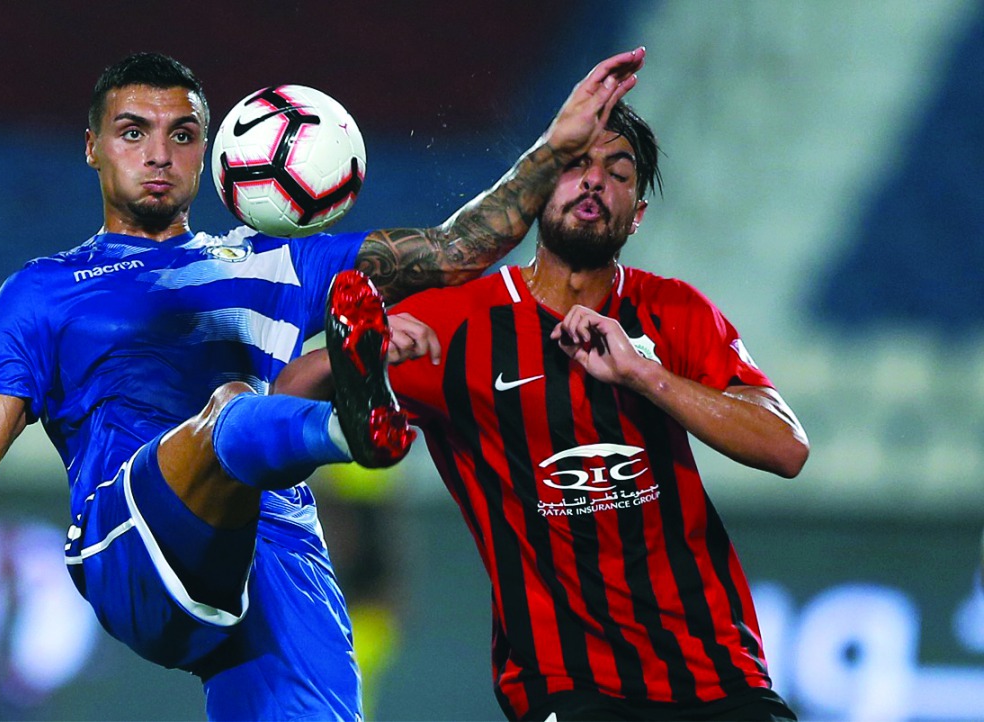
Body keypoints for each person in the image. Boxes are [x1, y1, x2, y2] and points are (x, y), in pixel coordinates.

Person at [0, 49, 647, 721]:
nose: (158, 154)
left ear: (212, 151)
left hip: (277, 553)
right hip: (133, 540)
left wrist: (554, 147)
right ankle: (346, 426)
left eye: (181, 135)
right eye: (133, 132)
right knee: (229, 411)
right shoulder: (43, 293)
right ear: (92, 145)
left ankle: (338, 400)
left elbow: (458, 249)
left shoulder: (274, 261)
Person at [277, 99, 810, 720]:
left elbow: (786, 447)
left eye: (619, 172)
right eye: (577, 163)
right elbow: (285, 395)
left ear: (635, 215)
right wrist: (360, 354)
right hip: (566, 685)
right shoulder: (459, 323)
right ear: (535, 191)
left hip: (720, 675)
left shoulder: (677, 312)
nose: (595, 181)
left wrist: (643, 374)